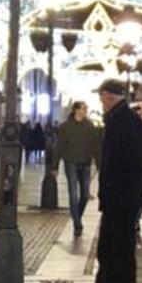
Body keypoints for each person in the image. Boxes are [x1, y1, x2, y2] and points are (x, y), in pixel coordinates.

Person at [78, 78, 141, 283]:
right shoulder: (117, 119)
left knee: (121, 251)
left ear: (110, 96)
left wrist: (116, 189)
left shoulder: (124, 121)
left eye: (102, 96)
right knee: (107, 250)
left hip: (122, 198)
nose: (100, 101)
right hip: (117, 196)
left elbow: (131, 159)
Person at [56, 100, 101, 240]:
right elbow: (59, 146)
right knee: (73, 194)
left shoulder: (89, 126)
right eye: (83, 108)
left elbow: (96, 145)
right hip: (71, 163)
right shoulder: (65, 127)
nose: (85, 110)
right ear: (76, 110)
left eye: (86, 108)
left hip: (86, 163)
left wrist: (99, 163)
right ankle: (77, 224)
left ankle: (77, 217)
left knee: (85, 195)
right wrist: (54, 166)